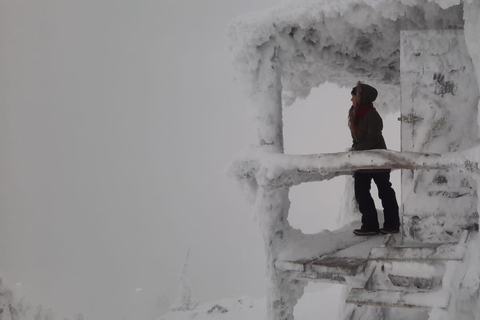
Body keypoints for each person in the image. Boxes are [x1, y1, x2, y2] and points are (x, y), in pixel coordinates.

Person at [348, 81, 400, 236]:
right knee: (361, 192)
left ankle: (392, 224)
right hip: (363, 161)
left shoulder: (372, 115)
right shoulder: (355, 113)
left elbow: (373, 138)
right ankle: (370, 225)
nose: (351, 99)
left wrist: (355, 149)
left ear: (361, 97)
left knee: (384, 191)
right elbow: (358, 139)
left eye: (353, 96)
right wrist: (354, 149)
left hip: (378, 159)